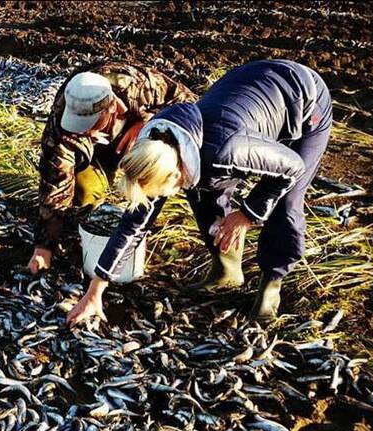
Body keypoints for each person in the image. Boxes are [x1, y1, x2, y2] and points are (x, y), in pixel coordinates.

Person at [67, 59, 333, 325]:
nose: (161, 198)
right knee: (203, 192)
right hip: (246, 86)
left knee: (285, 203)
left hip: (303, 97)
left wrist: (247, 215)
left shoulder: (228, 151)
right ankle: (227, 270)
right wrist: (95, 291)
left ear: (174, 174)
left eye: (165, 190)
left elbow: (292, 167)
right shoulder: (158, 144)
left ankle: (271, 285)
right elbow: (134, 224)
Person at [28, 62, 195, 274]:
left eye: (91, 123)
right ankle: (97, 227)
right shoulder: (62, 126)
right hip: (98, 153)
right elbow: (55, 182)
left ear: (112, 108)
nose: (84, 131)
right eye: (79, 126)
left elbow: (188, 104)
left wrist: (149, 121)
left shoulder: (137, 86)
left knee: (149, 181)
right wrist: (43, 247)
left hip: (143, 143)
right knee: (83, 193)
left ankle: (140, 222)